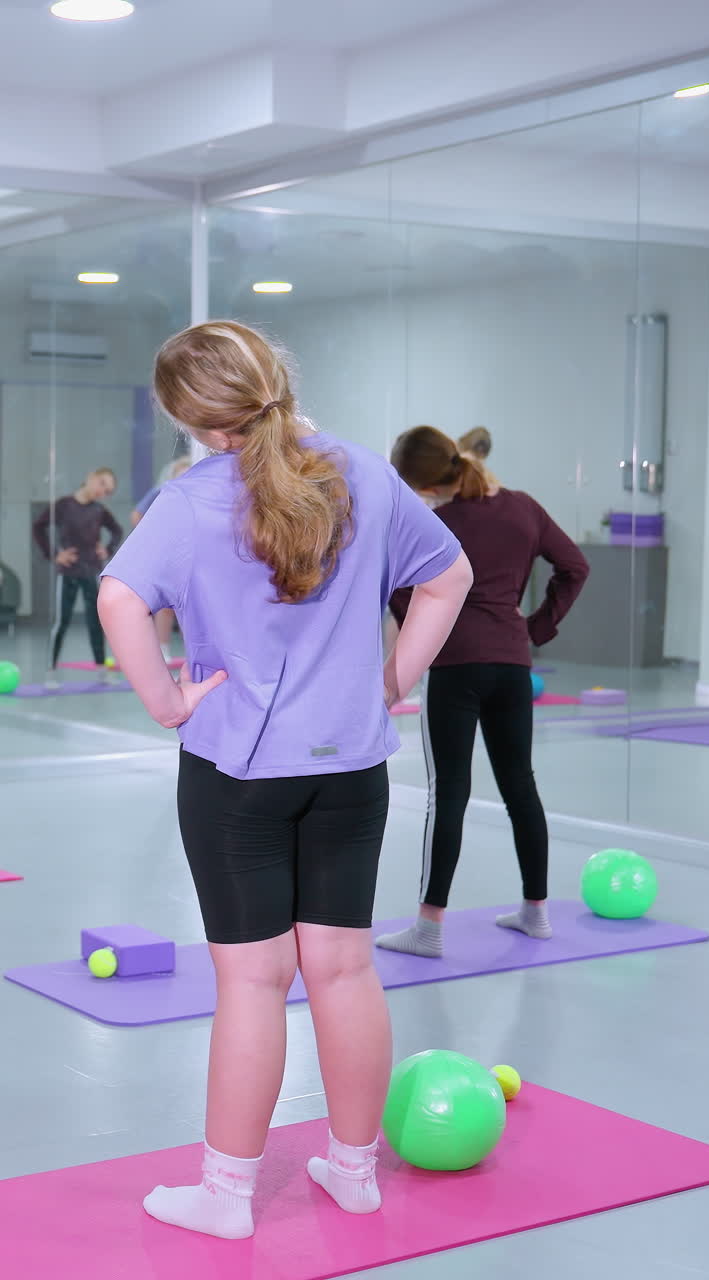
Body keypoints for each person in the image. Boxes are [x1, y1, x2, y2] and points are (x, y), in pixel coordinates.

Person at [97, 322, 472, 1240]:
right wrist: (394, 678)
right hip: (351, 766)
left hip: (239, 776)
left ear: (192, 419)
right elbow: (449, 575)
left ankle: (227, 1196)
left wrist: (166, 703)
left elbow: (118, 599)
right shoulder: (364, 472)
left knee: (255, 982)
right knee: (345, 969)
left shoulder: (189, 502)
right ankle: (353, 1172)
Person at [375, 425, 589, 960]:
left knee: (448, 792)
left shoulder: (434, 522)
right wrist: (533, 629)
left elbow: (397, 589)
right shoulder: (523, 508)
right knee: (521, 785)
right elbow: (574, 567)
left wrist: (421, 632)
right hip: (512, 664)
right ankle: (535, 912)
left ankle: (428, 929)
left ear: (421, 483)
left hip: (454, 667)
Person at [33, 467, 123, 679]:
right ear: (90, 477)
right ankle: (51, 668)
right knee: (61, 621)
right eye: (102, 484)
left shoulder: (99, 511)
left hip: (91, 571)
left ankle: (101, 668)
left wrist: (107, 549)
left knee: (95, 620)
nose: (104, 491)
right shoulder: (64, 506)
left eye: (108, 490)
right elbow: (39, 527)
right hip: (68, 572)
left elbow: (117, 530)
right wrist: (55, 554)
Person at [131, 457, 192, 659]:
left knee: (191, 607)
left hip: (190, 557)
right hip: (168, 556)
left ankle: (191, 650)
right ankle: (163, 649)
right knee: (166, 606)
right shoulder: (163, 492)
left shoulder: (196, 496)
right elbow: (137, 515)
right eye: (180, 473)